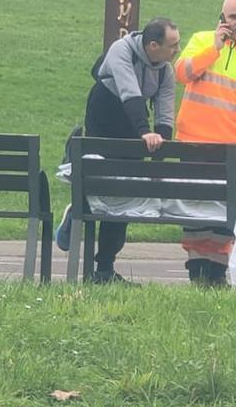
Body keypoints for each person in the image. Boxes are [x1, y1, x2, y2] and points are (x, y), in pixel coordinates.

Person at [55, 17, 180, 284]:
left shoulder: (166, 70)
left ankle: (104, 269)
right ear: (153, 45)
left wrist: (159, 150)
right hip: (106, 110)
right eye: (173, 45)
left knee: (125, 190)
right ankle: (81, 203)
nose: (177, 50)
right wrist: (144, 132)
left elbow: (166, 112)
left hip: (134, 120)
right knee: (105, 178)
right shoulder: (121, 50)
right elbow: (129, 93)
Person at [174, 0, 236, 286]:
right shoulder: (201, 40)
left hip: (230, 150)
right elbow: (182, 73)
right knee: (194, 212)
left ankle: (215, 273)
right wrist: (214, 49)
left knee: (222, 216)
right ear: (222, 18)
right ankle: (197, 272)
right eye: (233, 17)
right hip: (192, 144)